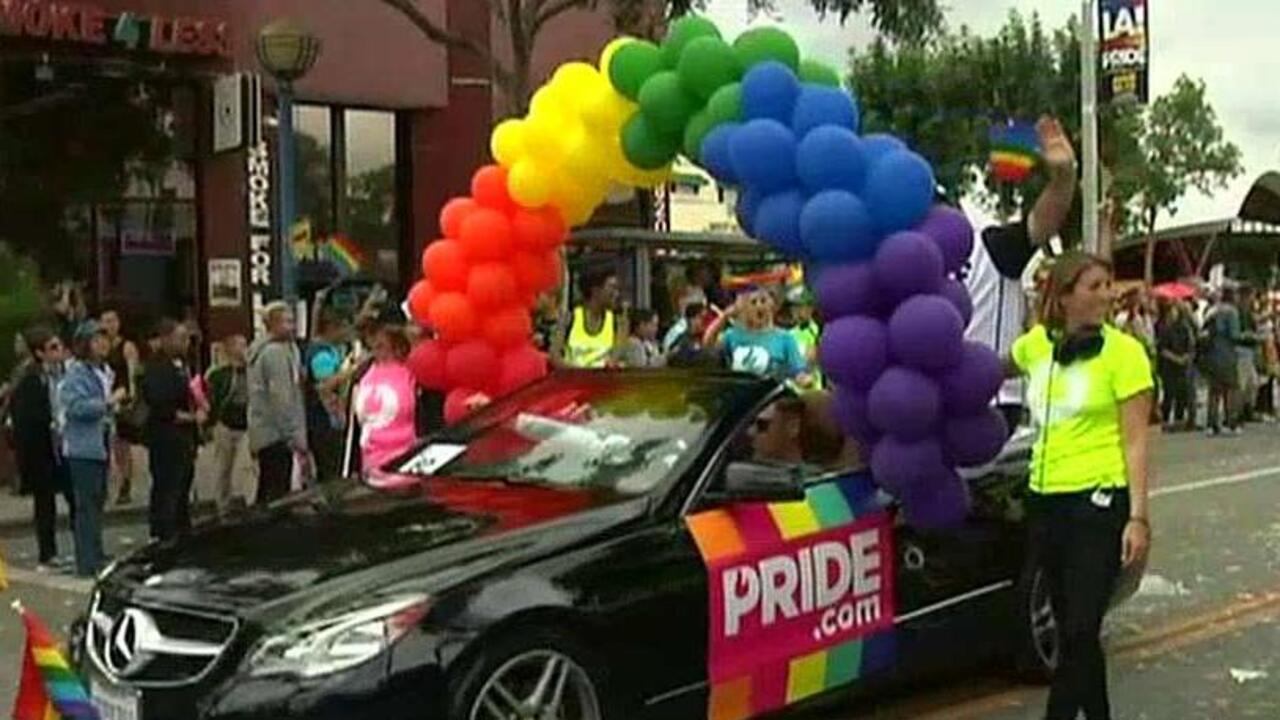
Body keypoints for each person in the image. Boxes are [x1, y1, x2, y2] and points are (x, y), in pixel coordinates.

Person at [1006, 252, 1152, 720]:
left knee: (1081, 628)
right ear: (1064, 296)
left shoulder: (1125, 354)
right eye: (1095, 286)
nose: (1108, 295)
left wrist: (1138, 517)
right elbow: (990, 369)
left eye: (1109, 285)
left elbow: (1136, 441)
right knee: (1073, 630)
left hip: (1099, 500)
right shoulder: (1036, 347)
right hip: (1046, 500)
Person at [962, 116, 1079, 430]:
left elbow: (1040, 224)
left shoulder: (988, 247)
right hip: (925, 405)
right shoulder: (897, 262)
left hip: (990, 404)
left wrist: (1063, 178)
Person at [57, 321, 121, 577]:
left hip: (101, 444)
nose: (102, 344)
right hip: (82, 448)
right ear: (84, 345)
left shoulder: (104, 371)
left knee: (98, 501)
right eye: (96, 340)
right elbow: (74, 407)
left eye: (104, 339)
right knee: (86, 505)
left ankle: (96, 552)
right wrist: (107, 403)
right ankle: (86, 560)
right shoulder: (76, 374)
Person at [10, 327, 74, 572]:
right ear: (40, 353)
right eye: (52, 348)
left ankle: (77, 547)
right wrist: (50, 422)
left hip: (59, 446)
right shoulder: (31, 380)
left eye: (60, 346)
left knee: (70, 496)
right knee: (45, 501)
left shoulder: (60, 374)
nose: (59, 352)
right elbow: (27, 417)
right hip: (40, 450)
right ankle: (47, 553)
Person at [142, 319, 201, 540]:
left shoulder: (183, 365)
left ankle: (182, 531)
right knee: (168, 488)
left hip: (185, 438)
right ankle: (164, 534)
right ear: (166, 339)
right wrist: (188, 417)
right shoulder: (157, 367)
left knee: (183, 488)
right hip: (165, 437)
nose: (186, 343)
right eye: (181, 338)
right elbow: (159, 404)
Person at [248, 302, 308, 504]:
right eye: (287, 322)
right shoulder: (274, 353)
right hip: (277, 434)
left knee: (268, 487)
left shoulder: (271, 350)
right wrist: (294, 436)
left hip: (265, 431)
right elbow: (282, 398)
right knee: (278, 493)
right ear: (272, 324)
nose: (292, 327)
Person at [352, 320, 419, 478]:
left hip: (405, 456)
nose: (376, 349)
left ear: (398, 348)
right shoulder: (364, 373)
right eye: (375, 345)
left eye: (382, 345)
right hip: (371, 458)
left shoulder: (412, 373)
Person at [703, 287, 810, 385]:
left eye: (763, 301)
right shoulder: (732, 335)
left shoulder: (785, 338)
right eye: (753, 302)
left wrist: (804, 379)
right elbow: (708, 344)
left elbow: (798, 371)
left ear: (771, 306)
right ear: (744, 308)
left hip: (772, 396)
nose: (759, 306)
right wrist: (725, 316)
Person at [100, 307, 142, 505]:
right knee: (106, 444)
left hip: (121, 396)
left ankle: (125, 483)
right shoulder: (100, 347)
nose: (109, 325)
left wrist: (132, 395)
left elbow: (133, 372)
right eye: (106, 321)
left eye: (112, 321)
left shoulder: (126, 346)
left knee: (121, 444)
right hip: (105, 397)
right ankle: (107, 484)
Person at [304, 311, 351, 484]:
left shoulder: (331, 349)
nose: (346, 332)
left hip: (330, 419)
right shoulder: (321, 354)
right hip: (323, 420)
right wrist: (350, 371)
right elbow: (325, 385)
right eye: (343, 328)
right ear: (331, 328)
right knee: (330, 468)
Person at [205, 334, 249, 513]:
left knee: (246, 467)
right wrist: (210, 423)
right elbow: (212, 399)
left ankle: (247, 500)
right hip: (225, 424)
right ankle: (222, 504)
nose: (244, 349)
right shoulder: (218, 374)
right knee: (223, 467)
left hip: (246, 425)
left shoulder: (252, 371)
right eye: (240, 345)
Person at [557, 270, 622, 369]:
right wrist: (574, 372)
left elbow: (616, 358)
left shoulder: (615, 322)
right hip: (574, 377)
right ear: (595, 291)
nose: (616, 294)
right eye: (612, 288)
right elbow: (555, 355)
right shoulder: (570, 318)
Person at [1203, 288, 1243, 436]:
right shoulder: (1232, 312)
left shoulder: (1212, 311)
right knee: (1231, 389)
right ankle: (1230, 423)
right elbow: (1235, 335)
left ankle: (1211, 424)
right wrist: (1252, 337)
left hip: (1211, 355)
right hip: (1227, 354)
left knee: (1214, 391)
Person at [1156, 300, 1195, 431]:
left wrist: (1186, 357)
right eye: (1171, 311)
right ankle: (1165, 419)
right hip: (1169, 366)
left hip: (1182, 365)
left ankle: (1179, 419)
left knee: (1181, 393)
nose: (1173, 314)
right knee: (1169, 393)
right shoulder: (1164, 329)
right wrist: (1176, 358)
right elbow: (1162, 349)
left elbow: (1190, 346)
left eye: (1175, 311)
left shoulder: (1184, 328)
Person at [786, 293, 823, 390]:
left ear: (811, 309)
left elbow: (810, 361)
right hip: (792, 390)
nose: (797, 312)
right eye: (794, 308)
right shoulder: (789, 334)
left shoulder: (816, 331)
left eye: (801, 307)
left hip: (812, 390)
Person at [667, 303, 718, 368]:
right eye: (701, 318)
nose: (705, 322)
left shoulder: (697, 336)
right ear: (692, 319)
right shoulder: (682, 338)